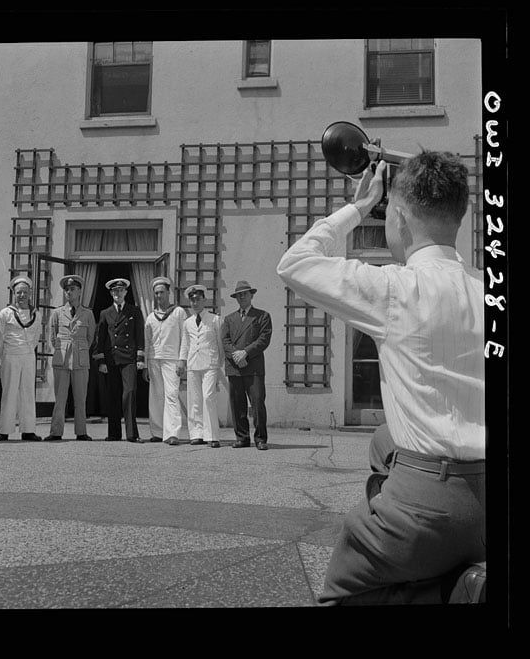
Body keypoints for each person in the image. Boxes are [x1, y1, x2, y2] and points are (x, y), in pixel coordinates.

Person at [276, 153, 486, 605]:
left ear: (401, 218)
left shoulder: (395, 287)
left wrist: (357, 206)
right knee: (383, 439)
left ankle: (455, 591)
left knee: (343, 592)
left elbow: (294, 264)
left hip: (430, 505)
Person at [221, 280, 272, 450]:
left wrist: (246, 353)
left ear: (252, 295)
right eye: (239, 295)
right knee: (237, 404)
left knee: (257, 402)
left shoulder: (262, 316)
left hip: (254, 367)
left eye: (245, 294)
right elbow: (225, 340)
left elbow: (264, 339)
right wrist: (236, 355)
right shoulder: (229, 319)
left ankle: (260, 439)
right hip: (235, 367)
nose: (242, 297)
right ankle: (242, 437)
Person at [45, 275, 96, 441]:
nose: (69, 292)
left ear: (79, 291)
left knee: (80, 398)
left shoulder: (87, 314)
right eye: (66, 289)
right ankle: (56, 432)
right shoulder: (57, 313)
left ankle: (81, 432)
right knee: (60, 398)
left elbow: (90, 338)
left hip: (80, 359)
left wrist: (80, 350)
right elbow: (52, 337)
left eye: (72, 289)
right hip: (62, 358)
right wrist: (62, 349)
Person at [0, 275, 43, 441]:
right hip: (10, 355)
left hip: (28, 355)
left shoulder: (37, 314)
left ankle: (28, 430)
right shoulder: (5, 313)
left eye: (25, 292)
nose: (22, 295)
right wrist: (5, 353)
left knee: (28, 392)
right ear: (14, 293)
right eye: (19, 292)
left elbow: (36, 336)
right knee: (9, 391)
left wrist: (27, 350)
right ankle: (5, 430)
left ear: (30, 293)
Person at [95, 278, 145, 443]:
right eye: (114, 291)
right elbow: (100, 339)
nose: (118, 293)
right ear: (111, 293)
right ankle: (114, 433)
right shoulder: (105, 313)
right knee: (113, 395)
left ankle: (132, 434)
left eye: (121, 290)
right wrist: (101, 361)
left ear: (126, 292)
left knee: (129, 392)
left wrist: (140, 357)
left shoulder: (134, 311)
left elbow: (139, 335)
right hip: (112, 359)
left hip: (129, 358)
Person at [177, 285, 225, 448]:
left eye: (198, 299)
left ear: (204, 300)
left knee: (208, 397)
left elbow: (220, 342)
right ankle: (196, 433)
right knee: (194, 400)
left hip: (210, 363)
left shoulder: (214, 319)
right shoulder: (187, 322)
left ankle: (212, 435)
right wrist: (181, 360)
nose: (195, 302)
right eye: (192, 300)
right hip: (193, 364)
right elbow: (185, 343)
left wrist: (220, 363)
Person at [143, 276, 189, 445]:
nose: (159, 296)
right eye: (156, 293)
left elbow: (185, 338)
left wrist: (182, 360)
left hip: (172, 360)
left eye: (162, 292)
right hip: (154, 359)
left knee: (171, 395)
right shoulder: (150, 317)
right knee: (156, 396)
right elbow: (147, 342)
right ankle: (157, 431)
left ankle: (172, 433)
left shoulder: (178, 313)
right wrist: (146, 365)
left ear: (168, 292)